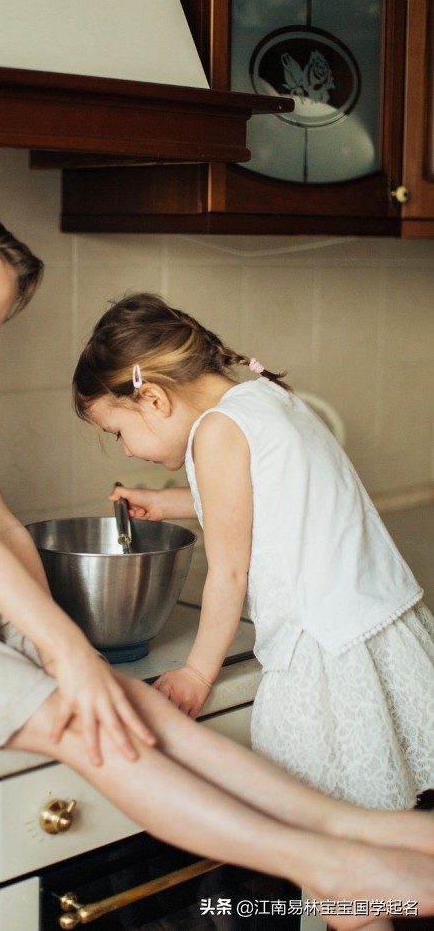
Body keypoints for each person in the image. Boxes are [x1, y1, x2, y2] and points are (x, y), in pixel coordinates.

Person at [0, 195, 434, 931]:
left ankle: (360, 829)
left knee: (133, 706)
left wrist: (67, 646)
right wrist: (68, 654)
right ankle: (327, 863)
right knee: (89, 726)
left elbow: (2, 528)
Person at [72, 292, 434, 815]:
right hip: (379, 629)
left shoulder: (216, 432)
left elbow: (229, 572)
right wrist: (167, 503)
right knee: (388, 826)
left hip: (324, 653)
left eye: (118, 432)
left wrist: (197, 673)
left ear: (153, 399)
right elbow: (260, 496)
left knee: (324, 830)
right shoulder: (266, 398)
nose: (127, 449)